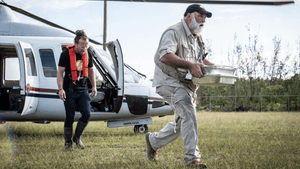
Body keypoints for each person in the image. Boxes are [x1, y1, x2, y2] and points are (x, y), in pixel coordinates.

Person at [145, 4, 214, 168]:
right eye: (200, 16)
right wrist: (190, 65)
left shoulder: (197, 37)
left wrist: (218, 70)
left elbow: (201, 60)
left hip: (186, 84)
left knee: (182, 121)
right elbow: (165, 56)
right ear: (189, 16)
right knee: (188, 114)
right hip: (168, 81)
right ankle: (192, 159)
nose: (203, 20)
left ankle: (153, 141)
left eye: (205, 18)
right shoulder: (173, 32)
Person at [57, 30, 97, 151]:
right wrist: (60, 89)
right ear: (75, 43)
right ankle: (68, 142)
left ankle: (77, 138)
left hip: (83, 89)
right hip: (69, 89)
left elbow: (90, 70)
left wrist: (94, 86)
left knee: (87, 114)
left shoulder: (87, 53)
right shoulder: (65, 54)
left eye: (86, 46)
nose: (84, 49)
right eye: (82, 46)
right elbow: (60, 72)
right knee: (70, 116)